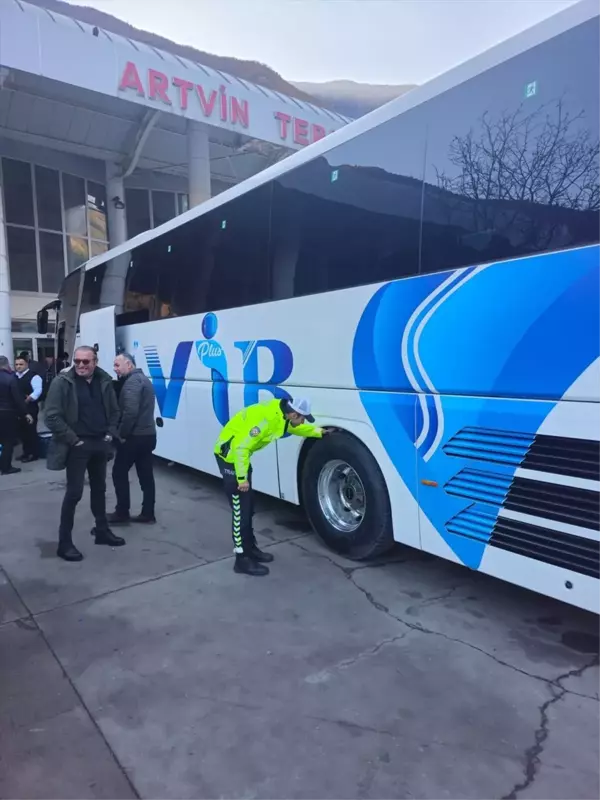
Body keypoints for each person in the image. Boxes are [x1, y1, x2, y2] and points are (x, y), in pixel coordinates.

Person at [214, 397, 328, 576]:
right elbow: (241, 448)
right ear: (293, 413)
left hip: (240, 460)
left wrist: (319, 432)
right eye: (302, 417)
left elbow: (294, 428)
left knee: (248, 507)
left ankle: (251, 548)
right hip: (230, 460)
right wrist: (242, 478)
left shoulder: (281, 416)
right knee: (240, 512)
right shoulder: (265, 422)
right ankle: (241, 559)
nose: (303, 421)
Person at [44, 345, 125, 562]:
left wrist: (110, 434)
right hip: (77, 446)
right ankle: (64, 543)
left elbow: (115, 411)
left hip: (100, 443)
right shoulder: (62, 383)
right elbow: (51, 417)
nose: (80, 365)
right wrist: (74, 440)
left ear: (95, 362)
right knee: (74, 493)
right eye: (77, 361)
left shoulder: (104, 380)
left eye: (85, 362)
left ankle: (102, 531)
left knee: (99, 489)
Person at [109, 353, 157, 525]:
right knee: (146, 475)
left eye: (117, 365)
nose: (115, 369)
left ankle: (122, 512)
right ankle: (148, 513)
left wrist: (121, 434)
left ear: (129, 365)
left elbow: (130, 413)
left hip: (134, 437)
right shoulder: (144, 380)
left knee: (118, 473)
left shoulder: (132, 383)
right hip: (148, 435)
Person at [0, 356, 32, 476]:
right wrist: (25, 413)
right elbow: (17, 399)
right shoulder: (10, 379)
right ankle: (6, 467)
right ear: (6, 365)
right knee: (8, 441)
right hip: (7, 413)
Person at [14, 355, 42, 462]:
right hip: (19, 408)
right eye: (16, 364)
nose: (18, 367)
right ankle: (26, 452)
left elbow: (38, 390)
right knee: (22, 431)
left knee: (30, 431)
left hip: (30, 408)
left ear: (26, 364)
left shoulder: (34, 376)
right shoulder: (15, 376)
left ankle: (33, 454)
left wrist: (29, 399)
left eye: (21, 364)